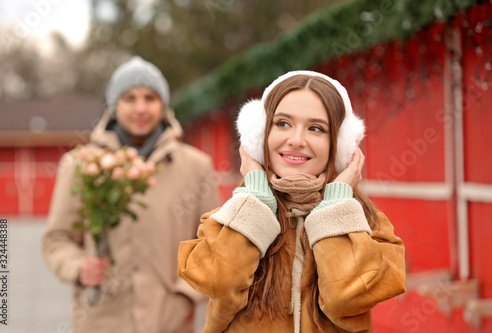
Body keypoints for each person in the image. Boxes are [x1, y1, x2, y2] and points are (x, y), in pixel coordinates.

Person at [178, 70, 406, 332]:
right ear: (260, 135)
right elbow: (218, 281)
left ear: (340, 146)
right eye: (283, 123)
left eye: (316, 128)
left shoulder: (368, 226)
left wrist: (336, 208)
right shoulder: (229, 219)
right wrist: (257, 200)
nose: (296, 140)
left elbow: (346, 298)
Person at [42, 56, 220, 333]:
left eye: (150, 98)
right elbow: (57, 239)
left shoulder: (196, 167)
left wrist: (186, 296)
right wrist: (78, 267)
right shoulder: (81, 164)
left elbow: (213, 244)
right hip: (100, 320)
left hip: (170, 322)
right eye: (129, 98)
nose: (141, 108)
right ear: (115, 105)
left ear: (163, 104)